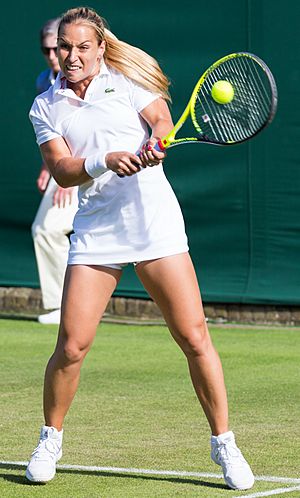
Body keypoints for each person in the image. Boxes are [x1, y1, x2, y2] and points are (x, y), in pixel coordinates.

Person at [25, 6, 255, 491]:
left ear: (100, 48)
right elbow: (64, 169)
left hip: (155, 225)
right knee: (70, 345)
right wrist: (106, 159)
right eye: (65, 46)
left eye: (82, 46)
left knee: (194, 338)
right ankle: (50, 439)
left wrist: (156, 140)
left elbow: (162, 119)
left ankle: (225, 445)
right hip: (96, 233)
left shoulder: (125, 81)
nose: (72, 55)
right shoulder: (46, 106)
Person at [31, 17, 79, 325]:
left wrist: (70, 179)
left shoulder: (83, 79)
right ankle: (63, 307)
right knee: (43, 230)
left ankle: (72, 308)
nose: (53, 56)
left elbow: (88, 132)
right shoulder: (43, 82)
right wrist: (49, 167)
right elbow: (54, 136)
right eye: (47, 50)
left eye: (57, 48)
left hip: (91, 168)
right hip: (63, 168)